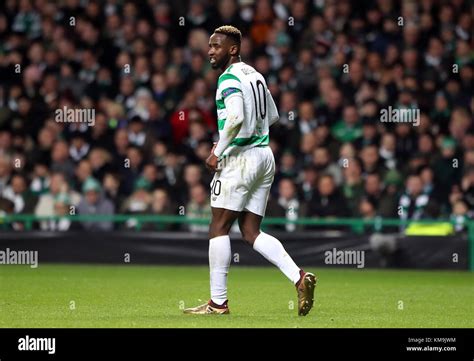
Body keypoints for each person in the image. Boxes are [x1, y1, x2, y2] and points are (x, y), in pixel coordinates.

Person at [184, 26, 317, 316]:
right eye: (209, 46)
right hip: (264, 155)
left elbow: (235, 116)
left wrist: (218, 150)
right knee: (251, 231)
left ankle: (218, 303)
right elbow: (273, 116)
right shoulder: (255, 74)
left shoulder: (228, 78)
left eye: (216, 46)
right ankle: (299, 277)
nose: (210, 51)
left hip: (240, 158)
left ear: (233, 49)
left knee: (218, 227)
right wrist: (254, 136)